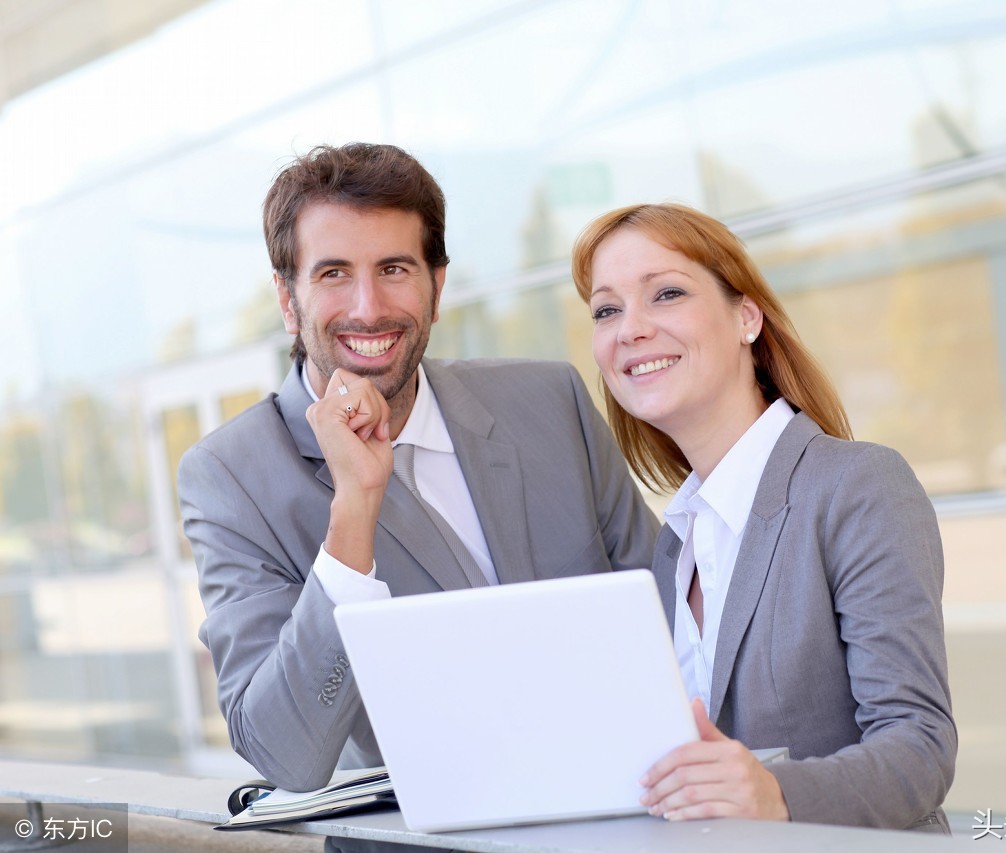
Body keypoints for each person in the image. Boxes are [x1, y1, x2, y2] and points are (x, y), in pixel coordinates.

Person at [179, 143, 658, 795]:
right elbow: (284, 754)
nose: (369, 306)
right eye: (333, 273)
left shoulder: (550, 400)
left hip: (628, 809)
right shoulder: (231, 478)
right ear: (288, 302)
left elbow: (669, 619)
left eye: (394, 268)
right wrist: (355, 510)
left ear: (436, 286)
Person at [571, 203, 956, 832]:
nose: (629, 329)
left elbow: (920, 747)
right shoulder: (676, 540)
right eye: (606, 310)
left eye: (666, 294)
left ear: (746, 317)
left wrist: (773, 792)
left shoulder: (856, 486)